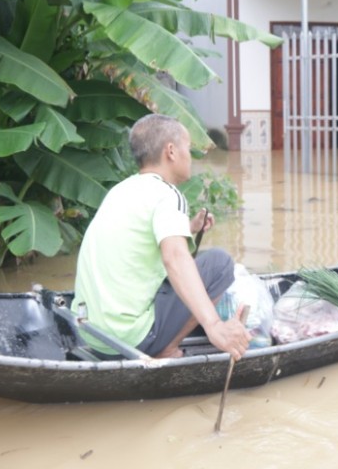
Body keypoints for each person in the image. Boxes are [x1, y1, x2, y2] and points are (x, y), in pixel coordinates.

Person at [72, 114, 250, 360]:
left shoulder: (121, 190)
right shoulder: (168, 194)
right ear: (171, 152)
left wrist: (189, 227)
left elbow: (141, 237)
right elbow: (175, 257)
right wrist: (215, 326)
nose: (190, 156)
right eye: (187, 147)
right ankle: (165, 349)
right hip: (130, 339)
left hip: (92, 333)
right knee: (220, 263)